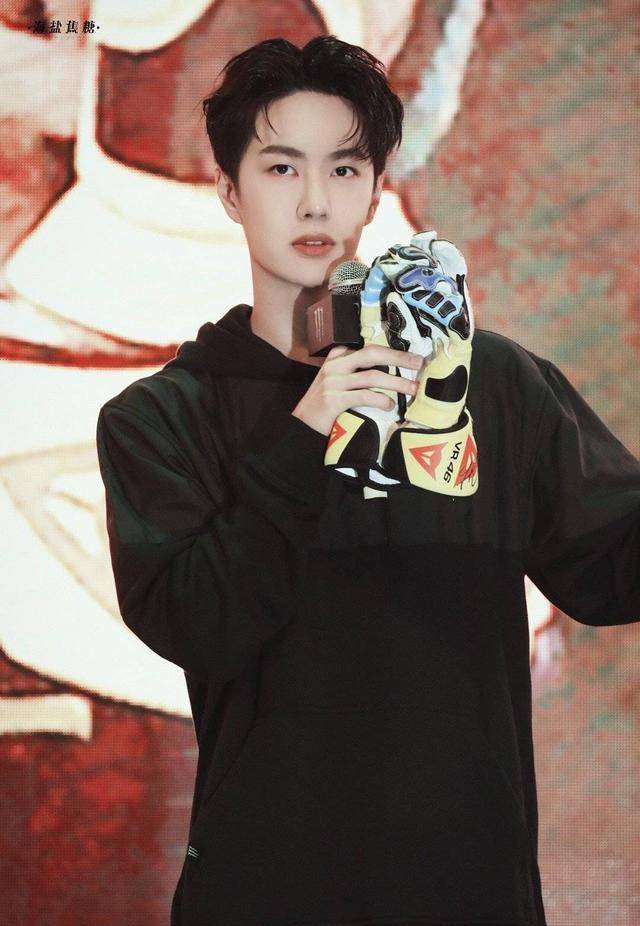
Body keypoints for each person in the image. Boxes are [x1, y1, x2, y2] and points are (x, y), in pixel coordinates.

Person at [95, 35, 640, 926]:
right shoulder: (161, 418)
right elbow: (196, 624)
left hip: (469, 891)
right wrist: (306, 433)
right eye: (281, 168)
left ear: (378, 189)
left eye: (345, 169)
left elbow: (613, 569)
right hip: (265, 891)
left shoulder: (491, 384)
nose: (316, 200)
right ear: (229, 191)